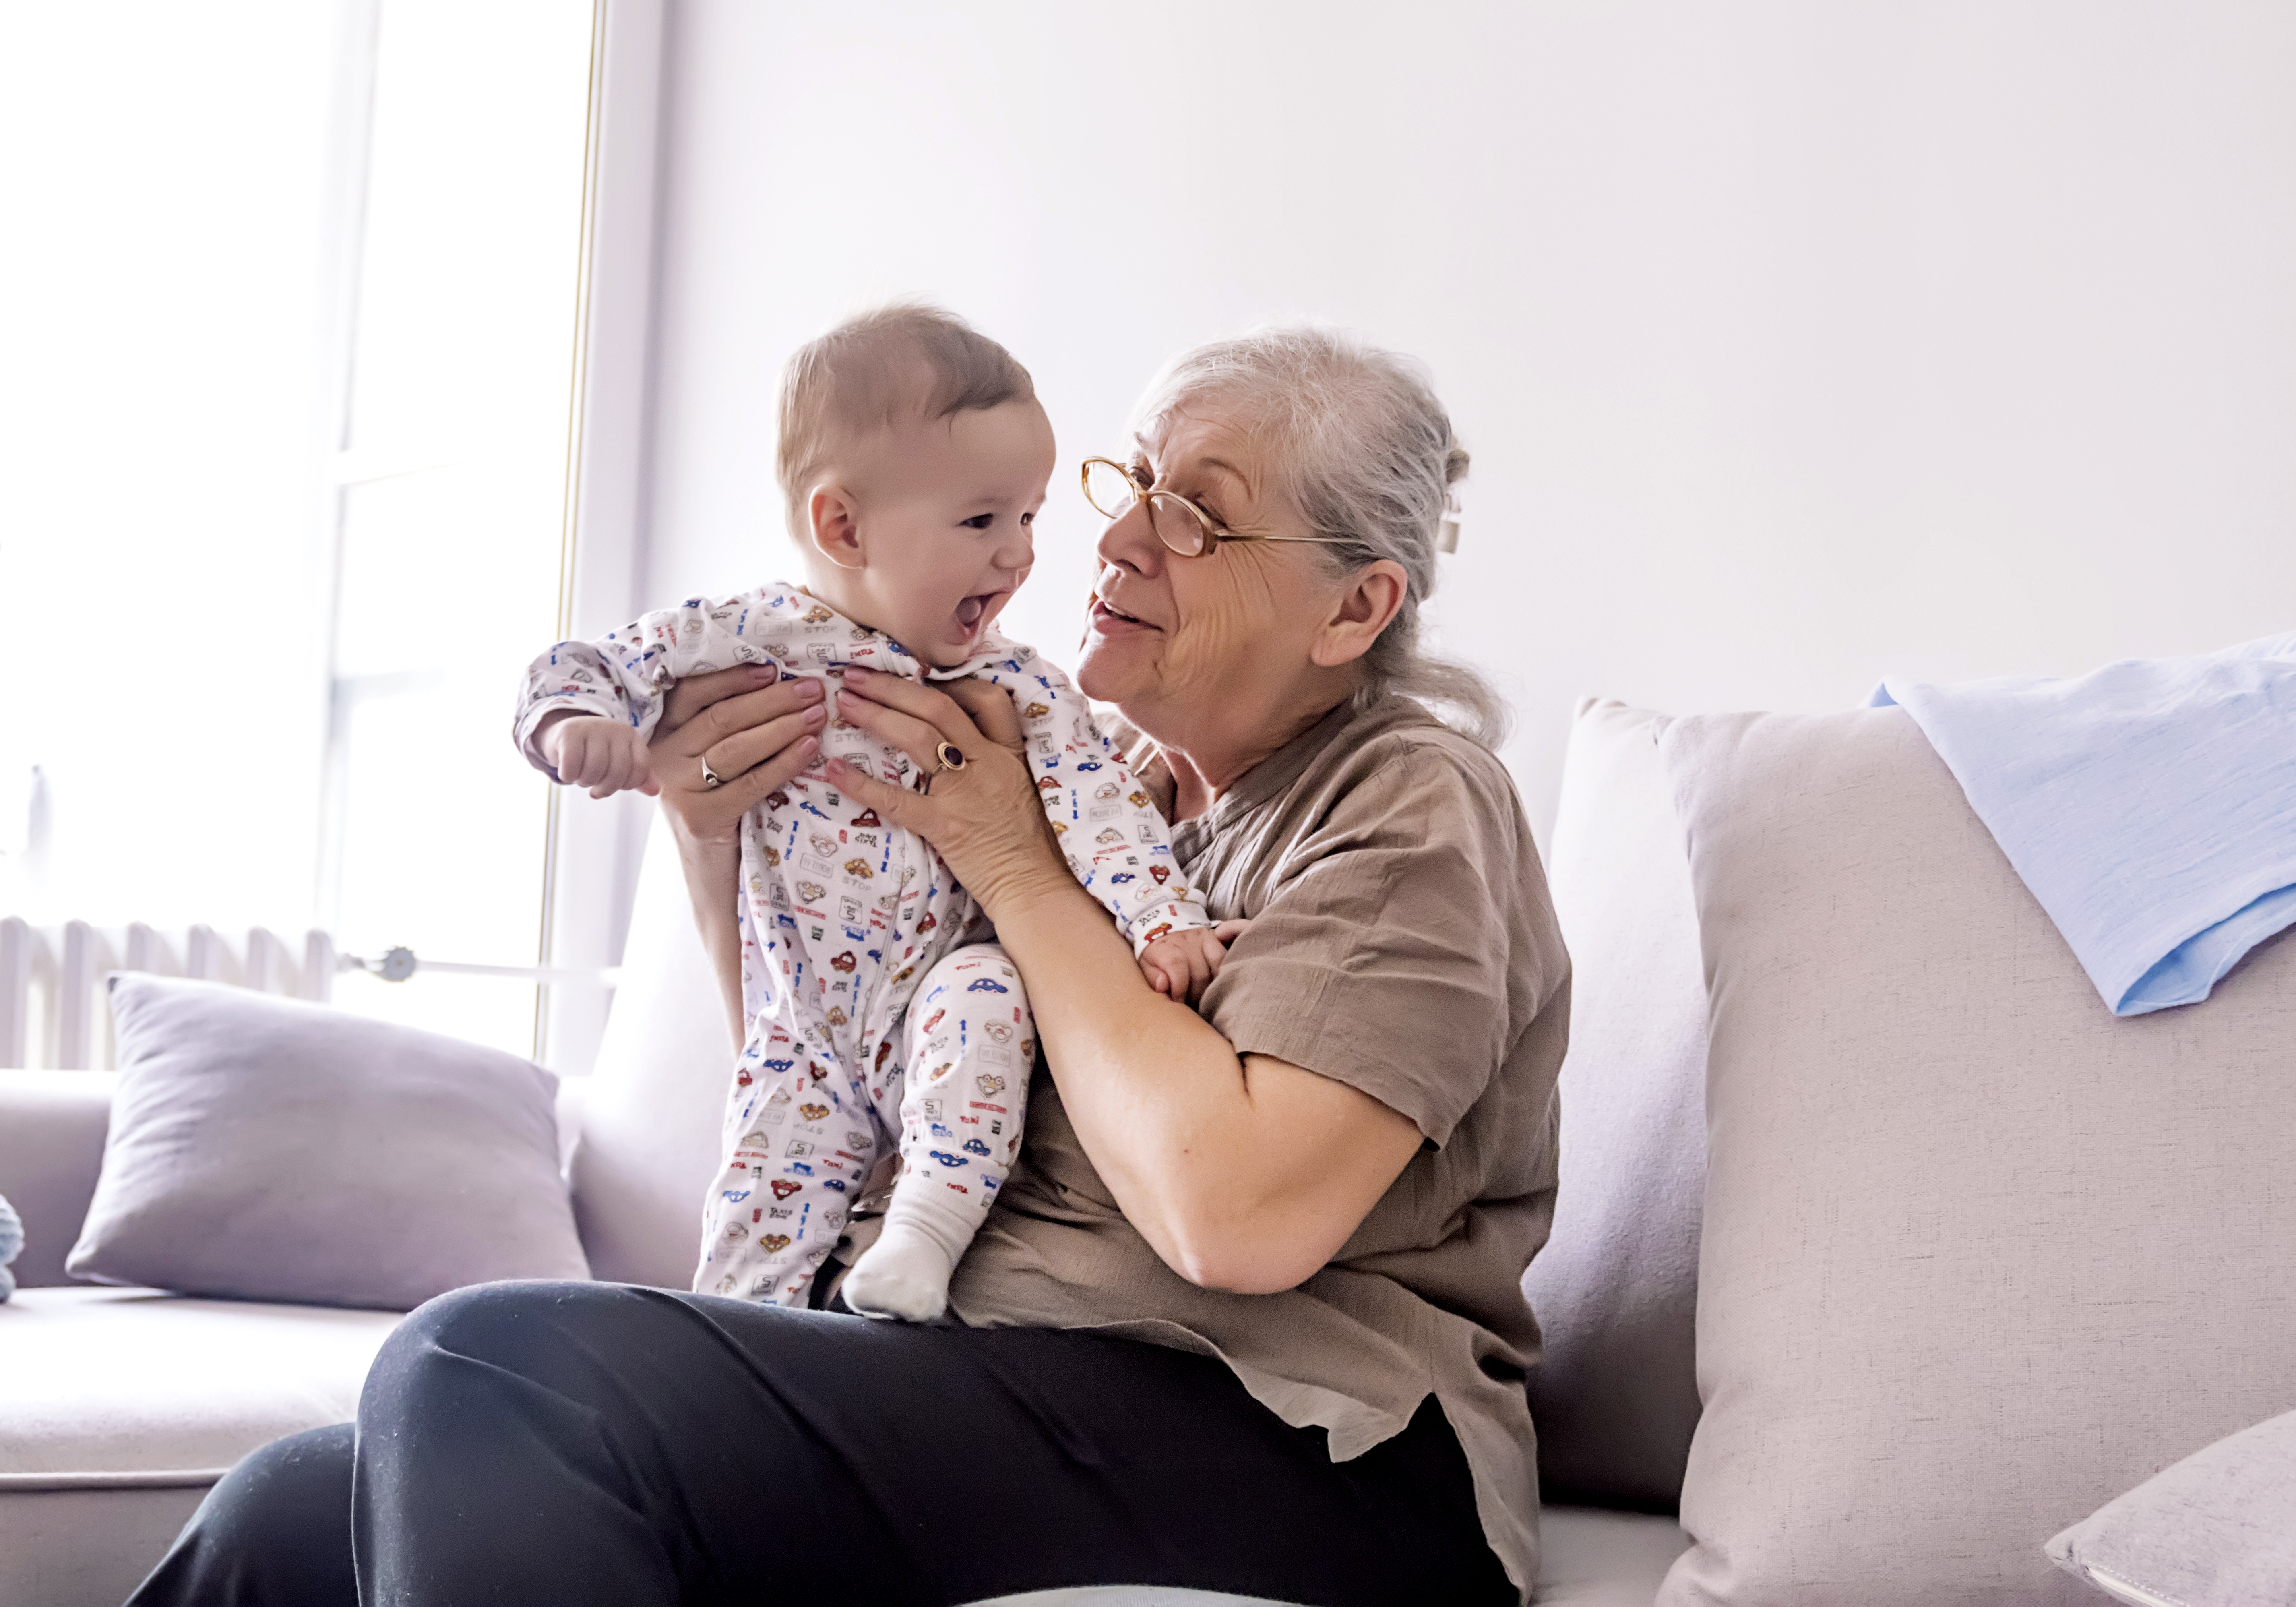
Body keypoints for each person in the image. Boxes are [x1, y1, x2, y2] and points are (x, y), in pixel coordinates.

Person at [130, 325, 1567, 1607]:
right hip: (994, 1363)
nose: (1121, 540)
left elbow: (1235, 1219)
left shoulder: (1410, 802)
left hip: (1307, 1444)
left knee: (490, 1367)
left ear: (1354, 610)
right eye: (1128, 485)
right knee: (294, 1514)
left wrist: (1016, 869)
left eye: (1195, 518)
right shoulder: (1107, 779)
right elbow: (847, 1055)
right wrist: (708, 836)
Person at [511, 304, 1229, 1322]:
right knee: (752, 1242)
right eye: (983, 522)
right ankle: (735, 1355)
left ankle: (922, 1237)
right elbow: (588, 663)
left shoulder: (1016, 684)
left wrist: (1163, 919)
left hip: (936, 997)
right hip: (802, 1029)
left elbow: (1103, 805)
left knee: (989, 993)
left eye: (1028, 519)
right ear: (842, 526)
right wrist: (573, 722)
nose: (1020, 557)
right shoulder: (750, 638)